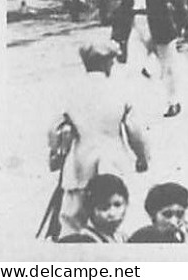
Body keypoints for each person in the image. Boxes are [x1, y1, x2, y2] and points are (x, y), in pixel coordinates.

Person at [49, 40, 150, 238]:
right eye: (111, 61)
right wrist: (142, 156)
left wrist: (56, 153)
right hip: (113, 161)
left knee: (73, 219)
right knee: (118, 215)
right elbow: (134, 130)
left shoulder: (70, 91)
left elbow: (54, 129)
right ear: (106, 63)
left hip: (80, 165)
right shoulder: (120, 90)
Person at [110, 0, 187, 118]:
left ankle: (173, 102)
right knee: (132, 68)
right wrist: (117, 35)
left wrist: (183, 24)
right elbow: (122, 9)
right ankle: (130, 106)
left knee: (168, 66)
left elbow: (178, 0)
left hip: (159, 23)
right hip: (137, 24)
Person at [56, 173, 129, 244]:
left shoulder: (123, 238)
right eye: (104, 207)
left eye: (117, 205)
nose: (112, 213)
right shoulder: (84, 240)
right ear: (91, 208)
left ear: (126, 204)